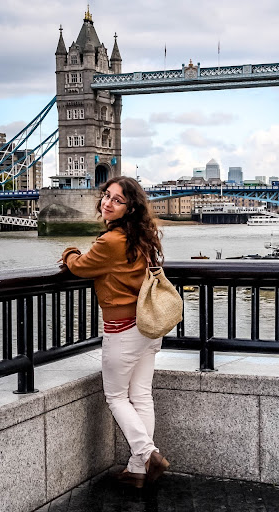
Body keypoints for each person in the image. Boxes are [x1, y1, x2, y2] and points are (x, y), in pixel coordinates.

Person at [61, 176, 170, 488]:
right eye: (106, 195)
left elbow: (80, 266)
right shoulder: (144, 237)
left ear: (130, 207)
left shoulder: (111, 242)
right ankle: (138, 470)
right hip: (149, 326)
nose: (107, 203)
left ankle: (148, 455)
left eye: (117, 199)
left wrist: (69, 251)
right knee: (141, 396)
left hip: (123, 329)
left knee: (116, 397)